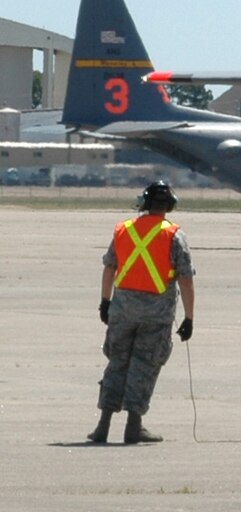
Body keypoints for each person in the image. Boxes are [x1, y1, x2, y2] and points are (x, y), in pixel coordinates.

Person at [91, 180, 195, 444]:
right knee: (144, 366)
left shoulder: (123, 230)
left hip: (123, 310)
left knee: (116, 363)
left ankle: (103, 425)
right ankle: (133, 426)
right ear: (169, 206)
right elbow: (185, 279)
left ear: (144, 203)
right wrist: (189, 317)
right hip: (156, 314)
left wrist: (105, 302)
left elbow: (109, 268)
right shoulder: (173, 235)